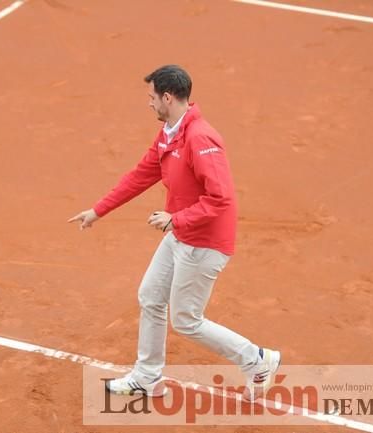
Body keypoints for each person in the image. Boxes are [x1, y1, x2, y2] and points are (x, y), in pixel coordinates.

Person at [68, 65, 280, 399]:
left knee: (186, 320)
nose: (149, 104)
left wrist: (175, 220)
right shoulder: (170, 132)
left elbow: (221, 199)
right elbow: (140, 175)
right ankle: (147, 377)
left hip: (204, 242)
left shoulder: (200, 138)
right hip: (181, 233)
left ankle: (256, 359)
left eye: (152, 97)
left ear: (168, 97)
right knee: (150, 297)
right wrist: (98, 211)